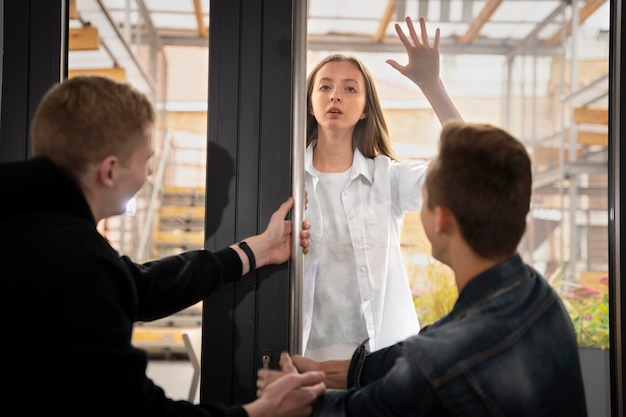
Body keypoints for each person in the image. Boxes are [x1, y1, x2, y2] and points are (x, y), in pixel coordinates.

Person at [0, 75, 325, 416]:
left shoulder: (31, 220)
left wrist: (255, 251)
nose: (150, 172)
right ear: (109, 171)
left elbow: (139, 286)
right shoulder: (75, 262)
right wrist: (263, 411)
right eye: (145, 160)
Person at [260, 120, 589, 416]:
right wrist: (326, 371)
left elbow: (363, 408)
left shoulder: (439, 364)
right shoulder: (535, 292)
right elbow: (425, 345)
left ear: (442, 219)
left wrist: (302, 401)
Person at [302, 16, 462, 360]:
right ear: (311, 101)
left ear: (364, 109)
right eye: (325, 86)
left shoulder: (387, 177)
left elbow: (467, 166)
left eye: (349, 88)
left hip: (381, 363)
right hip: (303, 360)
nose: (335, 96)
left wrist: (431, 85)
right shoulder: (284, 180)